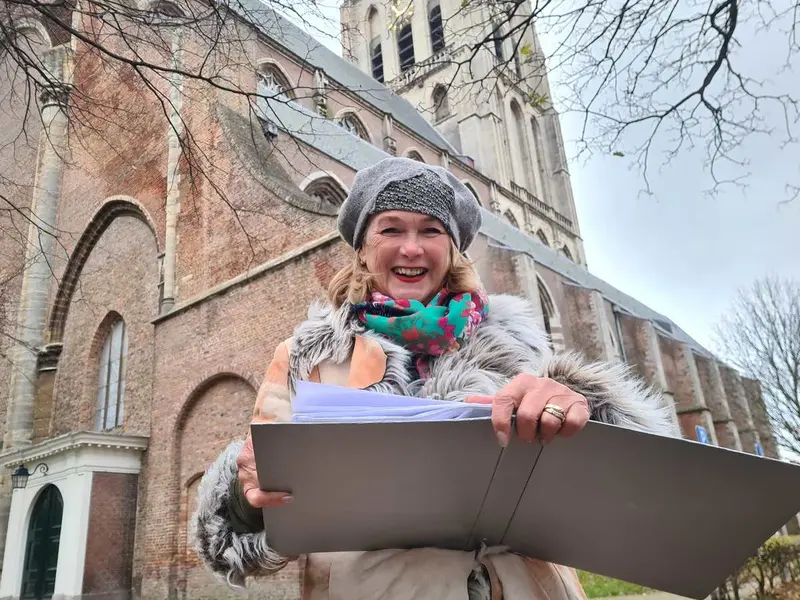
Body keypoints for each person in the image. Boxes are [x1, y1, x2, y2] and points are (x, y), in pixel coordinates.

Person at [192, 157, 679, 600]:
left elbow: (636, 483)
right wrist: (246, 497)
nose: (411, 247)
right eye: (391, 229)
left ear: (453, 250)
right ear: (363, 248)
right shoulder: (307, 356)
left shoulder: (519, 344)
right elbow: (243, 534)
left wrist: (583, 407)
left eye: (430, 230)